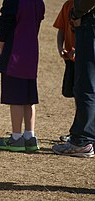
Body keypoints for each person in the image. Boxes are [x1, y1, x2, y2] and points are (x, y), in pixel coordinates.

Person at [0, 0, 45, 152]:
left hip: (14, 51)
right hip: (31, 50)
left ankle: (16, 138)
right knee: (29, 96)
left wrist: (2, 47)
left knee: (15, 97)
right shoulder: (38, 2)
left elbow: (5, 22)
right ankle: (30, 137)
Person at [52, 0, 95, 157]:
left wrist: (77, 13)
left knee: (86, 88)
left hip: (90, 24)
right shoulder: (66, 5)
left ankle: (81, 141)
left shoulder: (73, 7)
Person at [53, 0, 75, 142]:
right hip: (71, 61)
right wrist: (60, 48)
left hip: (87, 60)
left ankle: (83, 134)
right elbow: (61, 29)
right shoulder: (68, 5)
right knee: (76, 96)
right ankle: (77, 132)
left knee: (86, 97)